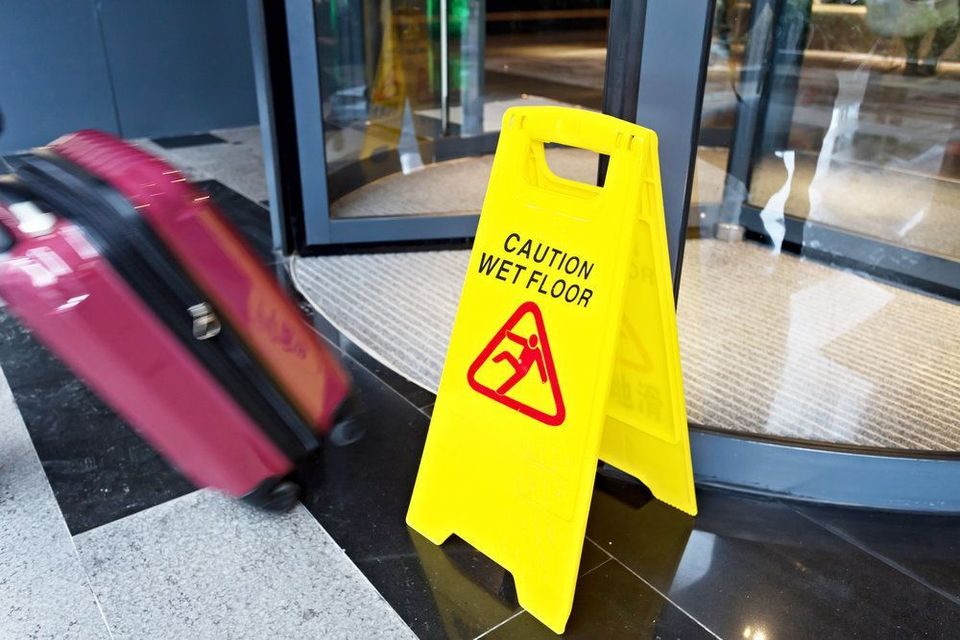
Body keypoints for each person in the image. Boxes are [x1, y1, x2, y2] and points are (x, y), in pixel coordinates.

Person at [492, 331, 546, 396]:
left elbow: (540, 364)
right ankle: (494, 360)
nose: (530, 345)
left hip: (523, 371)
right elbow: (517, 339)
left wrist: (544, 378)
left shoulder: (537, 352)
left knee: (513, 380)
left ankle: (500, 391)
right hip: (518, 363)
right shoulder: (526, 342)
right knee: (506, 354)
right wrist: (508, 334)